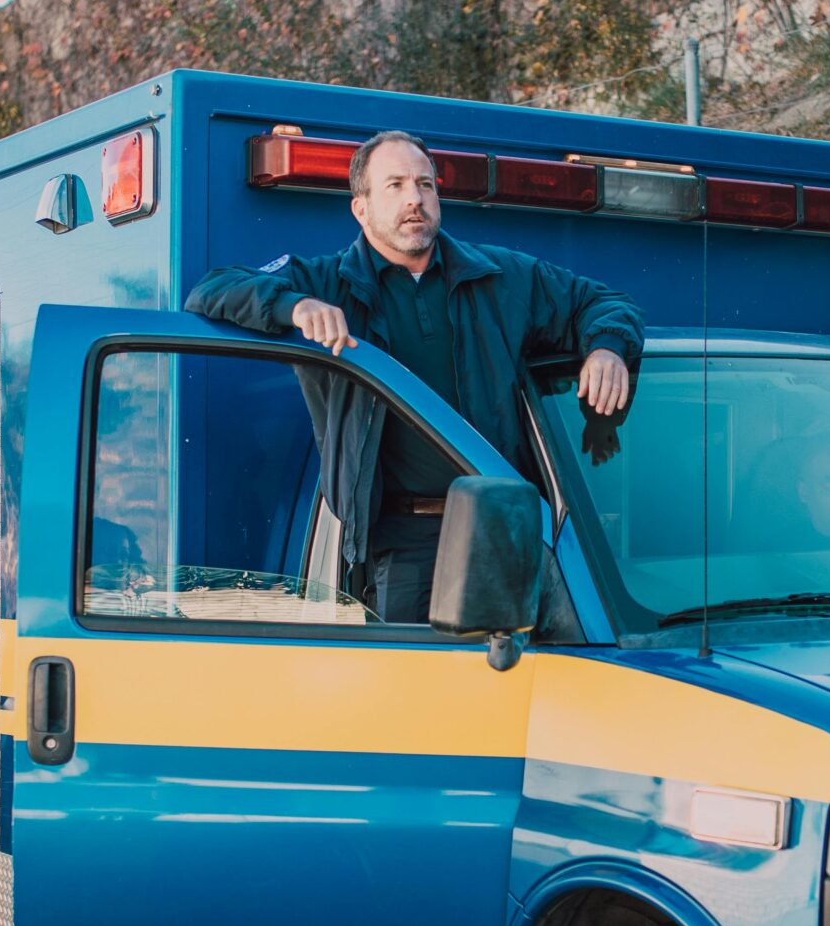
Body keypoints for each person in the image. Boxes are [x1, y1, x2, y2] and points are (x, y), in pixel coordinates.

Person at [185, 130, 644, 623]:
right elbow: (212, 289)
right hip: (404, 545)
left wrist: (606, 348)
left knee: (527, 669)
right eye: (396, 185)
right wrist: (295, 306)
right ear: (361, 209)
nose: (415, 199)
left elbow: (603, 302)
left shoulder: (500, 276)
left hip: (507, 529)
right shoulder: (326, 282)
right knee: (419, 673)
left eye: (425, 185)